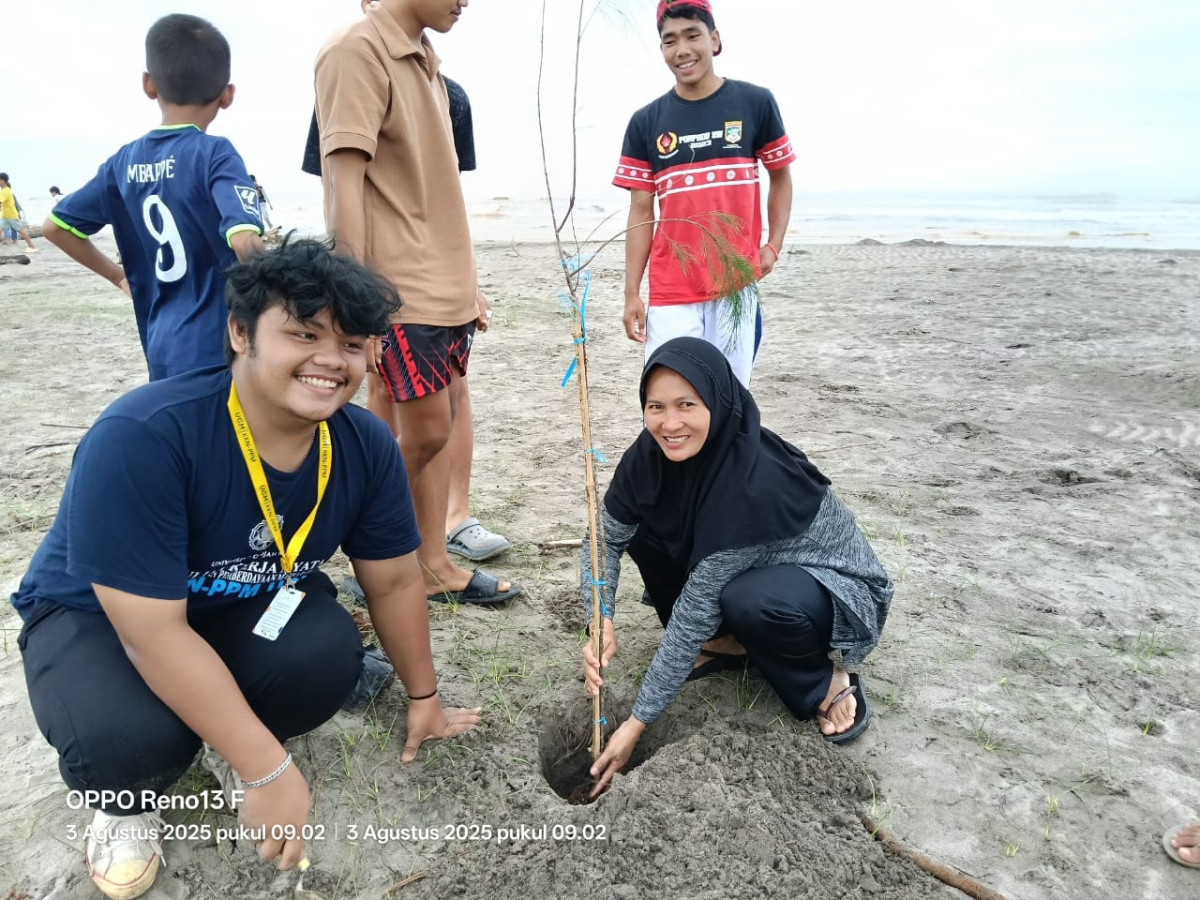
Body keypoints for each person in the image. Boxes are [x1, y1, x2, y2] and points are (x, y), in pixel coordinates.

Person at [11, 237, 481, 900]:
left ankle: (229, 733)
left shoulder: (362, 442)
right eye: (304, 334)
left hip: (245, 600)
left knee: (323, 657)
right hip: (101, 617)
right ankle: (125, 803)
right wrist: (266, 770)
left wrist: (424, 700)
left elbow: (396, 579)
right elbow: (153, 632)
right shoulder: (145, 436)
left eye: (351, 345)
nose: (330, 361)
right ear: (240, 332)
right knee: (122, 739)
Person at [581, 337, 893, 796]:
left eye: (687, 404)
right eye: (656, 407)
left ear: (718, 399)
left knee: (747, 599)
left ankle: (826, 679)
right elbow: (603, 540)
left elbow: (692, 613)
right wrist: (599, 616)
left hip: (831, 587)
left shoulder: (751, 482)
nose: (670, 424)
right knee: (644, 527)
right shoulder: (648, 458)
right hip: (742, 572)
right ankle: (728, 642)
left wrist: (635, 725)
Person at [316, 0, 520, 604]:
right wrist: (358, 304)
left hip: (446, 285)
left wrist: (469, 285)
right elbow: (342, 184)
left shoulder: (427, 59)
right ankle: (367, 548)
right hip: (401, 290)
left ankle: (431, 559)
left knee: (438, 425)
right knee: (425, 434)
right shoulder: (356, 48)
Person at [44, 14, 264, 382]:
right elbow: (244, 240)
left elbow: (56, 227)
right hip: (220, 344)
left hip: (161, 341)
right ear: (227, 94)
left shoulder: (122, 162)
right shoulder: (214, 154)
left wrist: (118, 278)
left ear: (149, 85)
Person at [613, 0, 794, 388]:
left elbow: (781, 176)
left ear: (714, 39)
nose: (682, 49)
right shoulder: (647, 121)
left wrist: (773, 246)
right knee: (673, 392)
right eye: (669, 41)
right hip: (671, 289)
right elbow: (641, 212)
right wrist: (632, 293)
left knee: (730, 395)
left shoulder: (754, 103)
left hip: (735, 284)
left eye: (692, 35)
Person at [0, 173, 38, 251]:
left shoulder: (6, 191)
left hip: (11, 216)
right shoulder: (4, 190)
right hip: (4, 216)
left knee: (20, 230)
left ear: (3, 181)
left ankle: (31, 245)